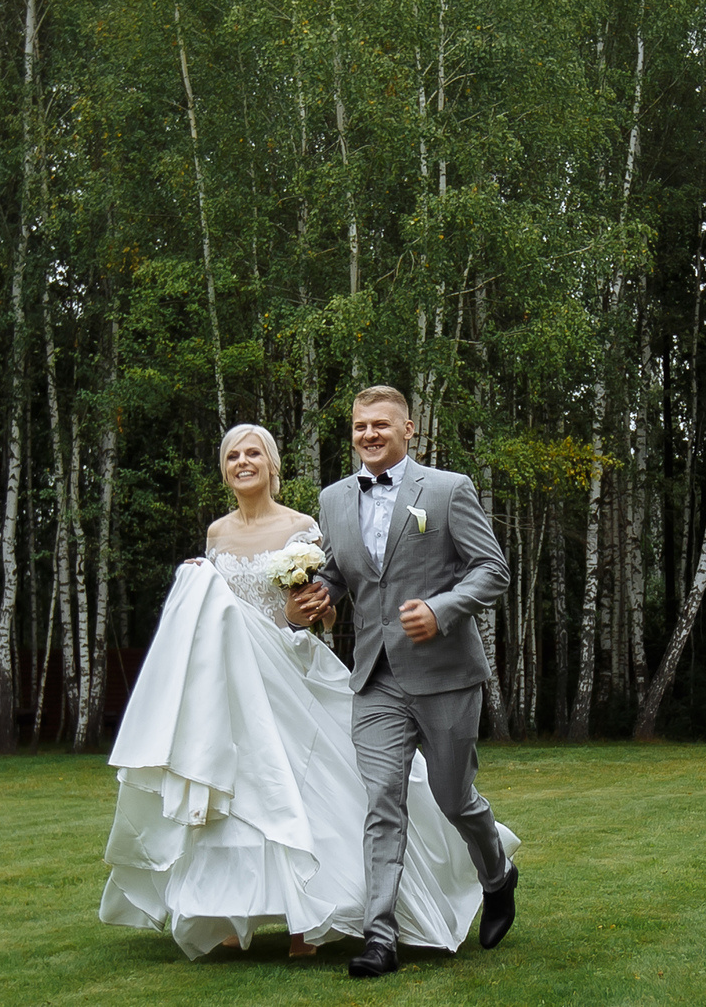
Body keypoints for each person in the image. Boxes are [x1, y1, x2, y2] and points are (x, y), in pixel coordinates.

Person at [99, 422, 517, 961]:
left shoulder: (306, 522)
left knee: (426, 792)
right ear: (223, 469)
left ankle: (493, 871)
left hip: (295, 669)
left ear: (274, 465)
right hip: (236, 682)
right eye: (232, 455)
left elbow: (325, 599)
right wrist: (195, 581)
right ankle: (292, 919)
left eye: (254, 453)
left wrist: (315, 611)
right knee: (254, 791)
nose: (243, 462)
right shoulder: (217, 533)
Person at [289, 386, 520, 980]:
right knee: (382, 804)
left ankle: (497, 876)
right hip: (374, 680)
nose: (369, 434)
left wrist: (442, 609)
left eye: (381, 425)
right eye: (360, 426)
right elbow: (345, 575)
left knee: (453, 799)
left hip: (445, 677)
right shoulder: (334, 498)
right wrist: (322, 596)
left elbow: (492, 569)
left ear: (408, 429)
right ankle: (380, 936)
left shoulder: (447, 490)